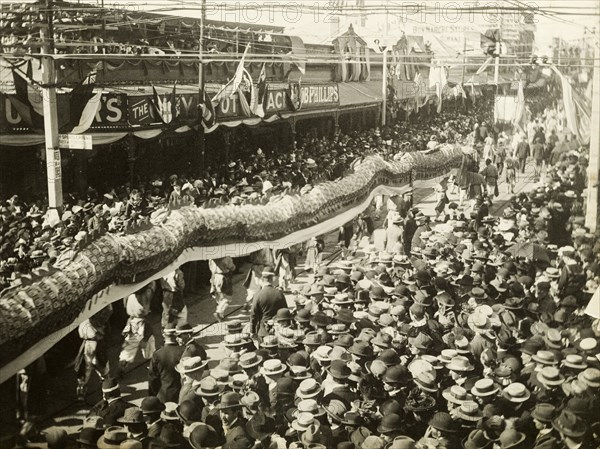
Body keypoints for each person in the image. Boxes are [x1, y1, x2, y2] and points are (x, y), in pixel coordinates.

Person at [74, 306, 112, 401]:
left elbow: (109, 310)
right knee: (85, 369)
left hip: (96, 343)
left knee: (102, 369)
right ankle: (81, 391)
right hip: (87, 343)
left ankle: (107, 390)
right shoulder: (84, 314)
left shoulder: (100, 311)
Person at [250, 267, 287, 341]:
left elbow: (253, 314)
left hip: (263, 330)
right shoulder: (279, 293)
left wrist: (252, 331)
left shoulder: (258, 294)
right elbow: (285, 311)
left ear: (262, 279)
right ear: (272, 279)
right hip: (278, 329)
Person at [209, 256, 236, 321]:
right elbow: (232, 267)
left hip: (215, 276)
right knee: (228, 297)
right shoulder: (226, 257)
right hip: (223, 277)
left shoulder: (211, 258)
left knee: (219, 297)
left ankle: (221, 315)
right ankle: (218, 312)